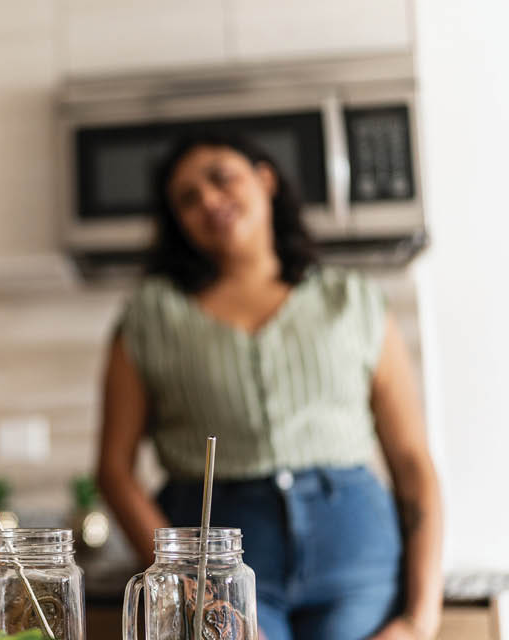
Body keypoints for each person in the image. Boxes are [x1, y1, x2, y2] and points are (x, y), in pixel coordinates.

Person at [97, 133, 443, 640]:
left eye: (221, 178)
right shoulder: (148, 318)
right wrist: (183, 583)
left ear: (265, 180)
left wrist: (419, 619)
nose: (209, 201)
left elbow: (412, 461)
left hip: (357, 555)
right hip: (214, 563)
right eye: (187, 199)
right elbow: (113, 470)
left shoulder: (354, 302)